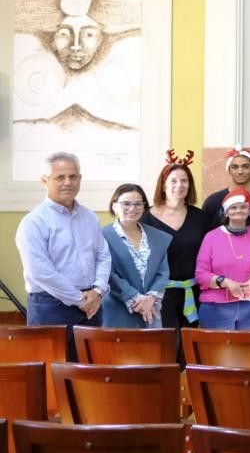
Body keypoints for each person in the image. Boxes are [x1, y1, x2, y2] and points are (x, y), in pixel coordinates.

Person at [15, 152, 109, 358]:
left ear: (80, 179)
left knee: (90, 372)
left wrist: (99, 291)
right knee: (51, 372)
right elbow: (41, 272)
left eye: (73, 176)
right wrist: (80, 300)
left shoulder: (90, 217)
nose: (68, 182)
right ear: (44, 181)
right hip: (51, 307)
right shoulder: (34, 222)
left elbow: (103, 256)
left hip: (91, 305)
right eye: (60, 177)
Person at [143, 150, 207, 334]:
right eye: (173, 180)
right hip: (158, 294)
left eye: (184, 180)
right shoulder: (146, 218)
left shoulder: (200, 217)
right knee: (166, 345)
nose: (179, 185)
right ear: (163, 185)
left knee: (189, 347)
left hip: (192, 293)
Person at [195, 188, 250, 330]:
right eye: (233, 207)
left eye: (243, 207)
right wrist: (226, 282)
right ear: (226, 211)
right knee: (216, 351)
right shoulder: (211, 237)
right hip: (216, 308)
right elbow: (201, 275)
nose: (238, 210)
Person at [101, 183, 170, 329]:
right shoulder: (102, 236)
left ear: (144, 207)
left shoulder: (157, 236)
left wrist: (150, 298)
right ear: (114, 206)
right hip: (118, 308)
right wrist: (137, 299)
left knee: (152, 351)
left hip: (151, 309)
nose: (132, 208)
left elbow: (163, 272)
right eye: (126, 203)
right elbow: (108, 273)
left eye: (138, 204)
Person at [200, 146, 250, 232]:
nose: (240, 171)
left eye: (245, 167)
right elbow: (205, 236)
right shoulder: (213, 202)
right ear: (229, 170)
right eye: (234, 167)